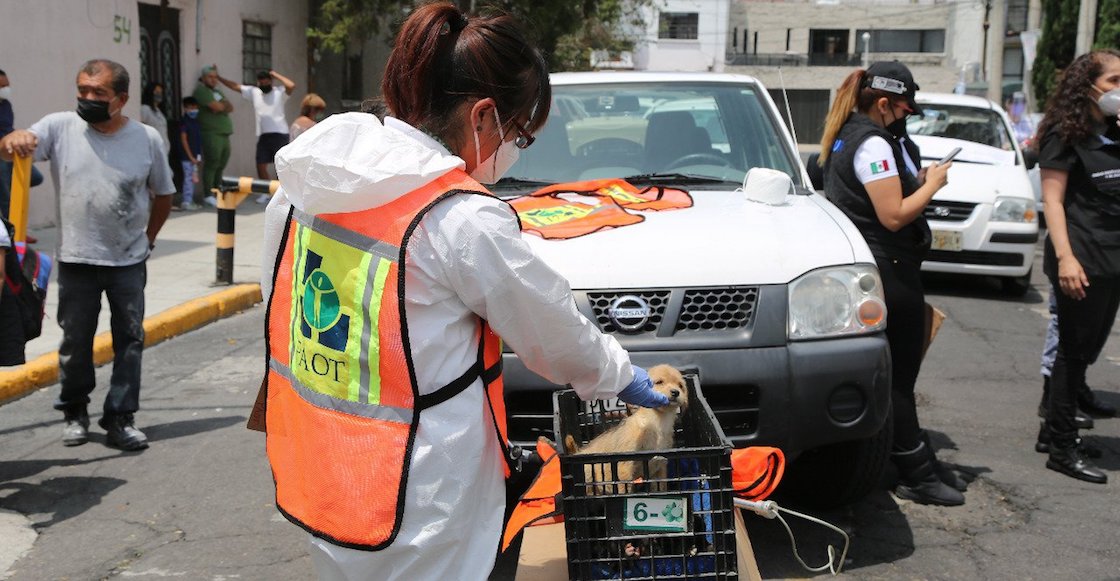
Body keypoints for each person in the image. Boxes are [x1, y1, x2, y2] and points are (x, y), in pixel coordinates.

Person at [258, 4, 670, 579]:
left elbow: (278, 296)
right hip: (422, 496)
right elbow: (550, 329)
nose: (515, 150)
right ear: (482, 116)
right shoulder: (457, 218)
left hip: (325, 469)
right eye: (519, 133)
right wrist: (620, 376)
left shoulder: (309, 183)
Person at [0, 59, 176, 451]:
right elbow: (13, 149)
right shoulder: (59, 127)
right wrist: (13, 138)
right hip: (76, 259)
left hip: (128, 261)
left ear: (121, 99)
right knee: (75, 342)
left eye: (99, 92)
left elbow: (164, 194)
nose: (88, 98)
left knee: (129, 339)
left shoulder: (146, 138)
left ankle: (120, 417)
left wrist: (148, 240)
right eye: (83, 90)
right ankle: (74, 411)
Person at [819, 61, 964, 506]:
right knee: (899, 378)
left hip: (877, 266)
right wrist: (932, 185)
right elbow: (894, 215)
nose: (905, 117)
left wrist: (914, 181)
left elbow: (878, 195)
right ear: (883, 103)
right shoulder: (873, 143)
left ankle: (902, 464)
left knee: (893, 375)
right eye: (903, 109)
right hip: (889, 268)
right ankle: (916, 471)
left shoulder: (849, 133)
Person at [1034, 49, 1120, 484]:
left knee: (1086, 352)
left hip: (1112, 260)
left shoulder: (1113, 132)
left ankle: (1054, 432)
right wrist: (1066, 258)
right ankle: (1062, 448)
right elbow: (1052, 202)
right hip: (1081, 260)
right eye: (1114, 81)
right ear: (1087, 87)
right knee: (1072, 353)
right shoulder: (1064, 135)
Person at [214, 68, 294, 203]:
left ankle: (285, 194)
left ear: (271, 81)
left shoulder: (279, 92)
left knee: (281, 165)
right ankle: (266, 193)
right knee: (260, 164)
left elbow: (291, 85)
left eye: (266, 82)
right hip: (264, 135)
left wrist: (275, 74)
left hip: (280, 134)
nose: (263, 85)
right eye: (261, 83)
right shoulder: (254, 92)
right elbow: (235, 86)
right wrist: (219, 78)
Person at [0, 69, 44, 226]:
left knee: (36, 178)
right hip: (1, 154)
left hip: (12, 149)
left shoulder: (5, 104)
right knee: (7, 198)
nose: (5, 89)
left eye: (7, 85)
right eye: (1, 86)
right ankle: (12, 232)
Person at [192, 65, 233, 207]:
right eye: (210, 77)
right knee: (212, 162)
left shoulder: (217, 91)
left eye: (215, 77)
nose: (213, 80)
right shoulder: (201, 91)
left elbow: (230, 107)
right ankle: (208, 194)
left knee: (221, 164)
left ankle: (218, 191)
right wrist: (221, 107)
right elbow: (217, 107)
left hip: (224, 133)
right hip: (211, 133)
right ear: (203, 78)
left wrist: (222, 106)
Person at [178, 96, 203, 210]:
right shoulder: (184, 122)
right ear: (185, 108)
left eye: (195, 108)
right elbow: (184, 140)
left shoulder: (196, 122)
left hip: (195, 157)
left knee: (193, 179)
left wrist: (197, 157)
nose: (193, 110)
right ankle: (186, 201)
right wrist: (190, 156)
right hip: (187, 157)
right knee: (188, 179)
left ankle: (190, 200)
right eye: (191, 108)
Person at [140, 82, 170, 155]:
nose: (159, 95)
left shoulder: (159, 111)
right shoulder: (145, 109)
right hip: (151, 151)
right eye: (157, 92)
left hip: (163, 151)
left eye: (161, 93)